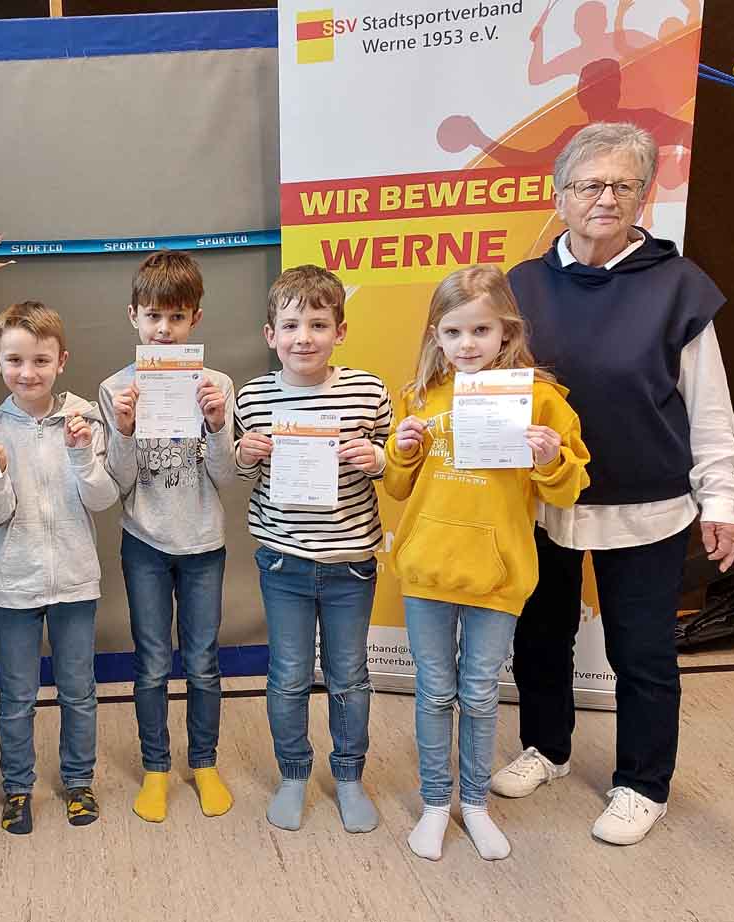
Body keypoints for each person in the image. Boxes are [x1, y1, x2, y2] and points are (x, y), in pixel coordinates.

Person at [494, 121, 734, 845]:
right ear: (559, 195)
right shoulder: (523, 285)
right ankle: (546, 746)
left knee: (641, 651)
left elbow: (710, 404)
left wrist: (719, 496)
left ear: (644, 197)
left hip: (649, 504)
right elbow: (491, 386)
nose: (604, 197)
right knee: (540, 637)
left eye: (622, 185)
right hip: (543, 501)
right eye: (588, 184)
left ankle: (642, 783)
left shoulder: (679, 287)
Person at [383, 265, 590, 862]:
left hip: (498, 574)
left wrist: (551, 458)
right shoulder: (420, 397)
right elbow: (399, 487)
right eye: (453, 332)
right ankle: (433, 803)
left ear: (507, 331)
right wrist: (399, 452)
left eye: (481, 330)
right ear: (435, 336)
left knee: (478, 692)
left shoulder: (540, 400)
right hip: (427, 570)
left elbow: (566, 490)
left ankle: (473, 803)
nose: (467, 344)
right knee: (433, 691)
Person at [233, 265, 392, 834]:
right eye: (292, 324)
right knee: (289, 674)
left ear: (340, 332)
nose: (305, 337)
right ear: (270, 335)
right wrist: (245, 453)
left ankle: (349, 774)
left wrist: (376, 459)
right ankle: (294, 772)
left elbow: (388, 459)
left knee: (349, 676)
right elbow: (239, 468)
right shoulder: (252, 397)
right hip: (282, 561)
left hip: (351, 562)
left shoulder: (368, 390)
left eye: (319, 324)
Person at [97, 251, 237, 823]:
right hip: (145, 542)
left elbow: (228, 477)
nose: (163, 329)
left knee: (203, 662)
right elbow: (119, 481)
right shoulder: (115, 388)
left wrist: (219, 423)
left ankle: (203, 763)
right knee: (153, 663)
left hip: (203, 542)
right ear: (133, 315)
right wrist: (125, 430)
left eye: (176, 317)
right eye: (153, 315)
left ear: (195, 320)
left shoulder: (218, 384)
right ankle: (156, 767)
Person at [0, 302, 119, 835]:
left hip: (76, 580)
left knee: (79, 689)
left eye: (40, 360)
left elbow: (102, 500)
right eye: (15, 360)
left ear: (62, 361)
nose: (27, 372)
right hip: (14, 582)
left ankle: (79, 781)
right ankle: (18, 787)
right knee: (17, 695)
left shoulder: (87, 420)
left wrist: (83, 454)